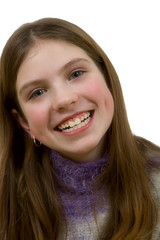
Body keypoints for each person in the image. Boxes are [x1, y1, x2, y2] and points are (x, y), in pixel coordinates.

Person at [0, 18, 160, 240]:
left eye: (76, 74)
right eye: (37, 92)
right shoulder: (7, 209)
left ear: (106, 77)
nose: (64, 99)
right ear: (24, 122)